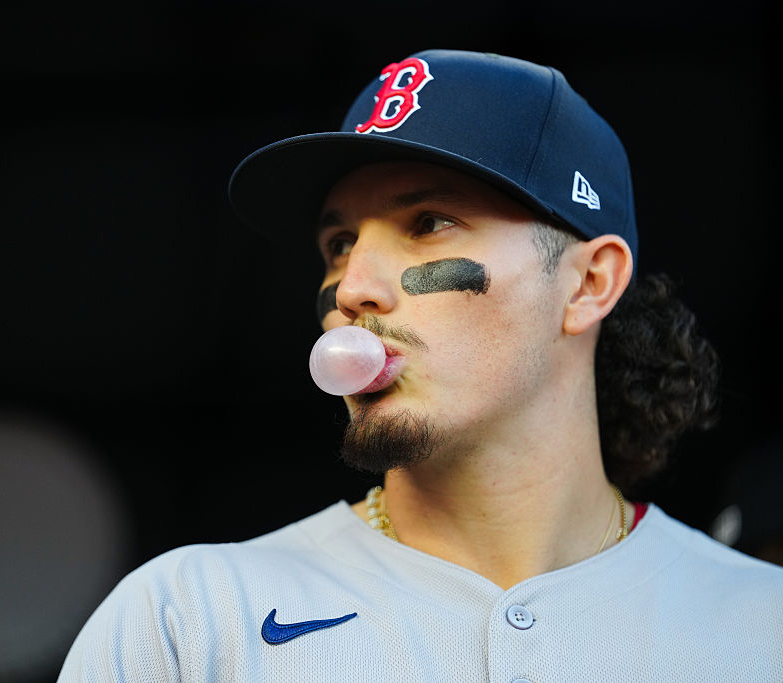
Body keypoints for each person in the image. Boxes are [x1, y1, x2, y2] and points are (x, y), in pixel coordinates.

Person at [57, 49, 783, 681]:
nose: (350, 288)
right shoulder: (188, 619)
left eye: (428, 223)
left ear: (589, 283)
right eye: (339, 242)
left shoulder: (762, 629)